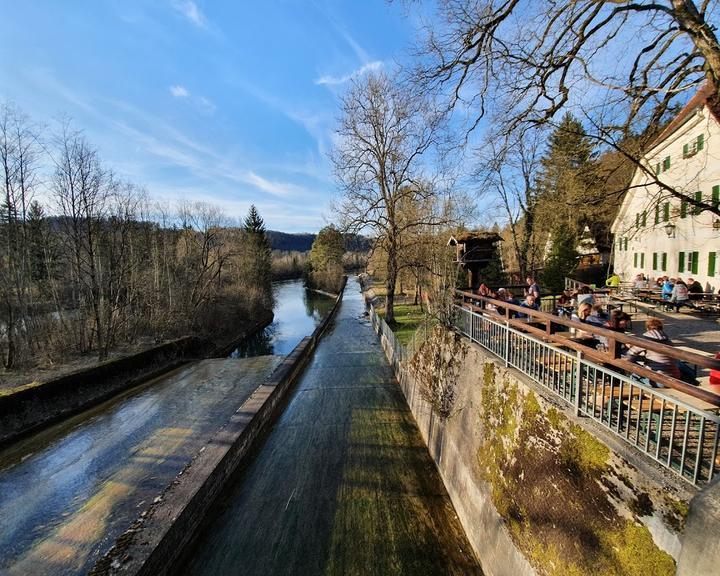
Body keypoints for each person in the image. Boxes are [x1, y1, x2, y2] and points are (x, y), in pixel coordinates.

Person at [624, 318, 681, 384]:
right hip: (674, 377)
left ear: (647, 328)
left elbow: (630, 355)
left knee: (633, 376)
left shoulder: (646, 341)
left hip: (657, 380)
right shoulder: (668, 341)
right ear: (661, 328)